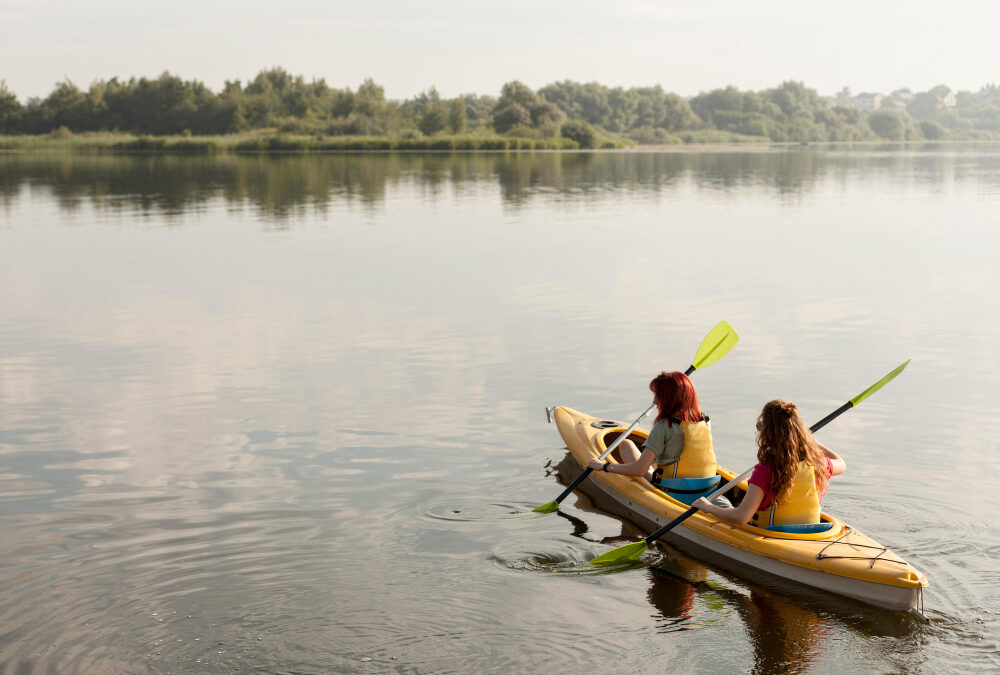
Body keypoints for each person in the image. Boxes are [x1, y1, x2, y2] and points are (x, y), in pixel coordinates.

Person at [692, 399, 846, 527]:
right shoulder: (818, 464)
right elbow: (841, 463)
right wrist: (807, 438)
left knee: (722, 504)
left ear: (767, 434)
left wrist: (707, 507)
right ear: (800, 433)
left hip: (774, 535)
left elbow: (741, 518)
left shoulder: (766, 470)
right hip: (811, 534)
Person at [586, 371, 718, 486]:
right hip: (707, 487)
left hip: (675, 489)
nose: (654, 401)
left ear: (668, 400)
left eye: (657, 396)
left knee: (625, 444)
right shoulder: (705, 421)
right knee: (638, 450)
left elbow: (639, 470)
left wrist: (604, 466)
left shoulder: (665, 426)